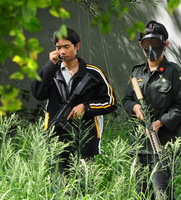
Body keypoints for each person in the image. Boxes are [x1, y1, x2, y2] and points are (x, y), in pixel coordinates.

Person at [121, 20, 181, 200]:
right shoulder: (137, 72)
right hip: (140, 144)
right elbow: (126, 99)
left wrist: (159, 123)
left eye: (155, 43)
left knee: (162, 192)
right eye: (146, 43)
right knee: (141, 192)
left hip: (164, 144)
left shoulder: (173, 72)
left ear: (165, 44)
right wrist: (135, 108)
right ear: (140, 45)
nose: (150, 48)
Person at [32, 28, 117, 175]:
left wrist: (86, 107)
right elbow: (38, 94)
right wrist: (50, 66)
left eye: (66, 46)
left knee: (86, 184)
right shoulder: (52, 72)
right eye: (58, 47)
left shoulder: (93, 72)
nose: (62, 51)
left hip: (86, 139)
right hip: (56, 140)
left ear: (77, 46)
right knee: (57, 185)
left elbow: (110, 102)